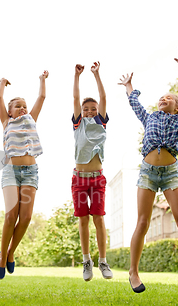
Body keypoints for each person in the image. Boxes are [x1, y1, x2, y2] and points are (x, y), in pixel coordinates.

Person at [119, 46, 178, 298]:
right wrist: (130, 85)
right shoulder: (149, 117)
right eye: (161, 97)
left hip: (170, 172)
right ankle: (133, 271)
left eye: (169, 98)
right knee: (142, 222)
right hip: (148, 172)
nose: (164, 98)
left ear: (176, 107)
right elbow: (134, 104)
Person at [0, 71, 48, 279]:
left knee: (25, 217)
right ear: (9, 112)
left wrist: (42, 80)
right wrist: (2, 83)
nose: (23, 108)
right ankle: (1, 257)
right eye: (18, 106)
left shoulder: (31, 119)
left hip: (30, 172)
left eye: (24, 105)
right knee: (11, 215)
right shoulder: (6, 122)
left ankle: (10, 252)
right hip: (10, 172)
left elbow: (42, 98)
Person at [72, 62, 113, 282]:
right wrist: (77, 77)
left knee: (99, 218)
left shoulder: (101, 123)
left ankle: (103, 261)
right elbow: (75, 99)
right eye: (86, 109)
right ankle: (86, 260)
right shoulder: (78, 124)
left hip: (97, 180)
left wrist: (97, 74)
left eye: (92, 109)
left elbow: (103, 98)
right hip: (79, 180)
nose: (89, 111)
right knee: (83, 220)